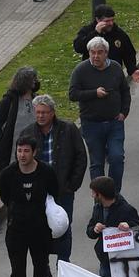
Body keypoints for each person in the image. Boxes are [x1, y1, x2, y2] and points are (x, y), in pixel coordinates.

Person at [0, 134, 60, 277]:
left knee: (40, 265)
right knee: (17, 269)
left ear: (34, 152)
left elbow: (54, 192)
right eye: (19, 150)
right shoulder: (8, 173)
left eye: (26, 151)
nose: (22, 155)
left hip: (40, 229)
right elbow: (5, 196)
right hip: (16, 229)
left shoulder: (46, 172)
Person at [27, 92, 87, 260]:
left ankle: (63, 264)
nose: (40, 116)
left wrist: (72, 184)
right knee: (38, 229)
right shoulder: (28, 132)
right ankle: (42, 264)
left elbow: (80, 156)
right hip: (38, 192)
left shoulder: (68, 129)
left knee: (64, 226)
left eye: (44, 112)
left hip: (63, 190)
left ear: (52, 112)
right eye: (38, 112)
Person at [68, 36, 132, 187]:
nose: (95, 56)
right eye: (92, 52)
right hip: (91, 124)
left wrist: (124, 112)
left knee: (117, 157)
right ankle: (99, 196)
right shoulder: (81, 70)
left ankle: (114, 194)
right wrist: (93, 93)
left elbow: (125, 90)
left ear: (106, 53)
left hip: (114, 122)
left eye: (99, 52)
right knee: (97, 162)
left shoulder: (116, 68)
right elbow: (73, 94)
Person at [85, 176, 139, 277]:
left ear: (100, 195)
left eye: (93, 192)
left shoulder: (126, 209)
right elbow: (89, 231)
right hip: (105, 260)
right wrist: (94, 229)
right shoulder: (97, 208)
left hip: (124, 261)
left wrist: (129, 226)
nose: (92, 195)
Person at [71, 4, 139, 78]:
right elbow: (78, 47)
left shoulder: (118, 33)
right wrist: (95, 33)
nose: (111, 23)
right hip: (91, 75)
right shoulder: (87, 31)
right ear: (98, 20)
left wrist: (132, 70)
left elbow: (128, 53)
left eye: (112, 20)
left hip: (113, 75)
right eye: (107, 21)